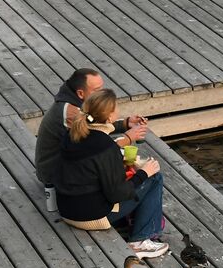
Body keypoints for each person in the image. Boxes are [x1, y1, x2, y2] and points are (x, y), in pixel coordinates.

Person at [55, 88, 168, 259]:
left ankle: (132, 223)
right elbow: (117, 193)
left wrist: (124, 125)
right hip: (92, 217)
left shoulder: (72, 132)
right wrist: (144, 173)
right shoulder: (106, 147)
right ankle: (140, 241)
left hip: (66, 210)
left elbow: (93, 160)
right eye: (116, 108)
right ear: (109, 117)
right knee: (154, 177)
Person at [35, 68, 148, 197]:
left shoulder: (77, 106)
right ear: (80, 93)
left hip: (68, 166)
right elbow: (97, 145)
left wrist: (126, 123)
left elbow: (94, 125)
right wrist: (128, 138)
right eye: (97, 90)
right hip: (54, 175)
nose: (102, 93)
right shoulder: (71, 113)